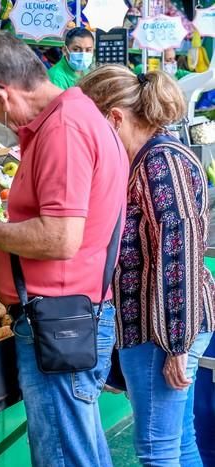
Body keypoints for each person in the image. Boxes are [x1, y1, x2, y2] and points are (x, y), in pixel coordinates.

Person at [0, 31, 129, 466]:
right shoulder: (74, 116)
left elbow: (60, 238)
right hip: (70, 317)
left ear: (0, 94)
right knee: (80, 449)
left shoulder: (64, 130)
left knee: (63, 456)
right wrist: (1, 257)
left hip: (59, 323)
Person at [79, 65, 215, 466]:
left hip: (163, 332)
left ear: (114, 118)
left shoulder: (161, 162)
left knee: (156, 450)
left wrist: (177, 344)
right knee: (178, 442)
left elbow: (180, 254)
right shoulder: (143, 158)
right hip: (156, 328)